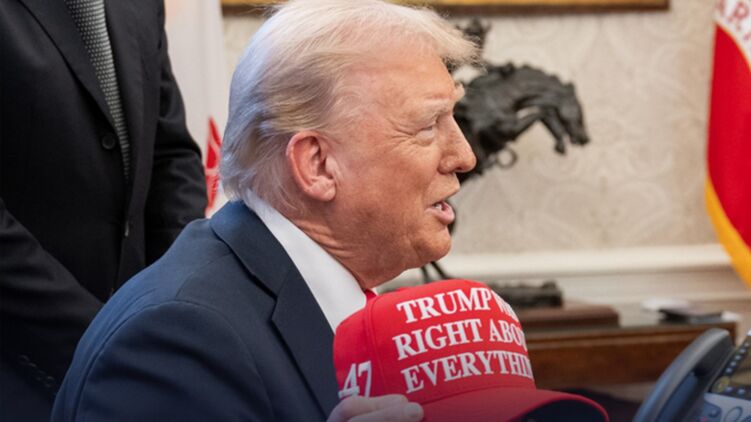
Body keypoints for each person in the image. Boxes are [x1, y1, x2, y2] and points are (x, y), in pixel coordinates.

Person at [51, 0, 477, 420]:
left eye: (454, 117)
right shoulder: (178, 338)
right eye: (428, 126)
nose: (464, 156)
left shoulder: (350, 304)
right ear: (317, 164)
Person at [0, 0, 207, 420]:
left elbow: (171, 156)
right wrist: (103, 341)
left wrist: (171, 305)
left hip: (146, 364)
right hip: (23, 371)